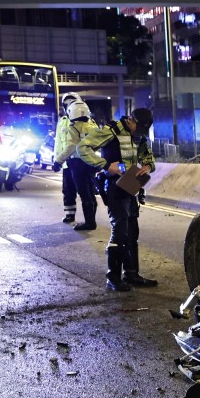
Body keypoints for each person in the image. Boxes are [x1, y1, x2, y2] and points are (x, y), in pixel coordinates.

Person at [75, 108, 158, 292]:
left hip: (131, 185)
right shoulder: (111, 131)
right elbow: (82, 148)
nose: (139, 134)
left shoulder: (140, 135)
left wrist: (147, 166)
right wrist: (105, 165)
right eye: (138, 129)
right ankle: (113, 277)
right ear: (130, 120)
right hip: (113, 186)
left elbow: (147, 155)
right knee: (120, 230)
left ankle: (131, 274)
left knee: (132, 231)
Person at [54, 99, 99, 226]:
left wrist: (58, 161)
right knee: (90, 192)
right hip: (91, 162)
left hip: (77, 163)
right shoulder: (93, 126)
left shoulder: (74, 128)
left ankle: (89, 222)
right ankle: (92, 220)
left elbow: (71, 147)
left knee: (84, 193)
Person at [53, 92, 83, 223]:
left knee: (84, 191)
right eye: (66, 104)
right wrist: (56, 160)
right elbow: (58, 143)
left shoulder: (83, 121)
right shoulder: (62, 121)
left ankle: (90, 219)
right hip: (66, 162)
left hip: (80, 162)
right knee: (67, 190)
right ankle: (70, 214)